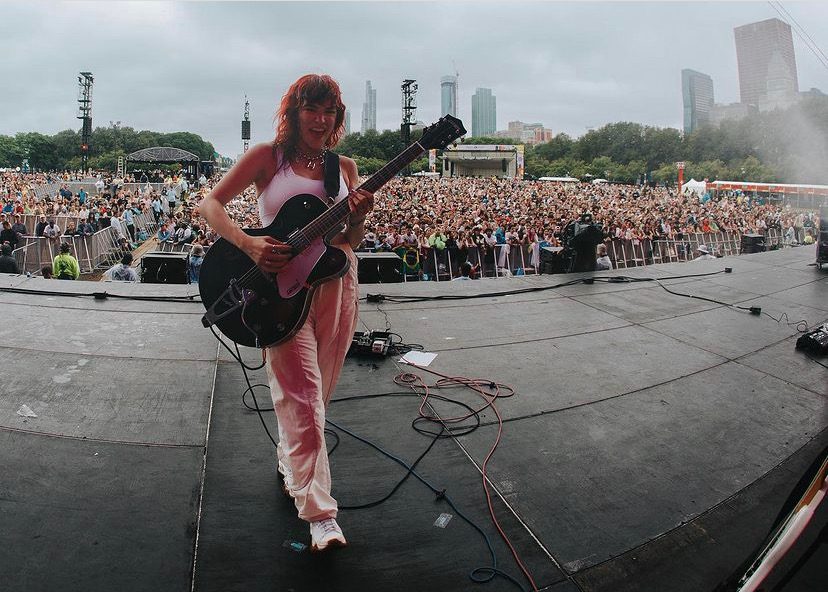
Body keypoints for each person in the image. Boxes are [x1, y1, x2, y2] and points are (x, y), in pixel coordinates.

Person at [199, 74, 374, 552]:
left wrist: (358, 214)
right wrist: (249, 243)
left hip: (336, 288)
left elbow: (349, 242)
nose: (320, 120)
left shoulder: (347, 168)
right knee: (305, 398)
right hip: (278, 292)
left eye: (329, 112)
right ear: (294, 112)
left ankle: (290, 460)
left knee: (319, 395)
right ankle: (320, 515)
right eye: (311, 110)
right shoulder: (267, 159)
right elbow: (210, 204)